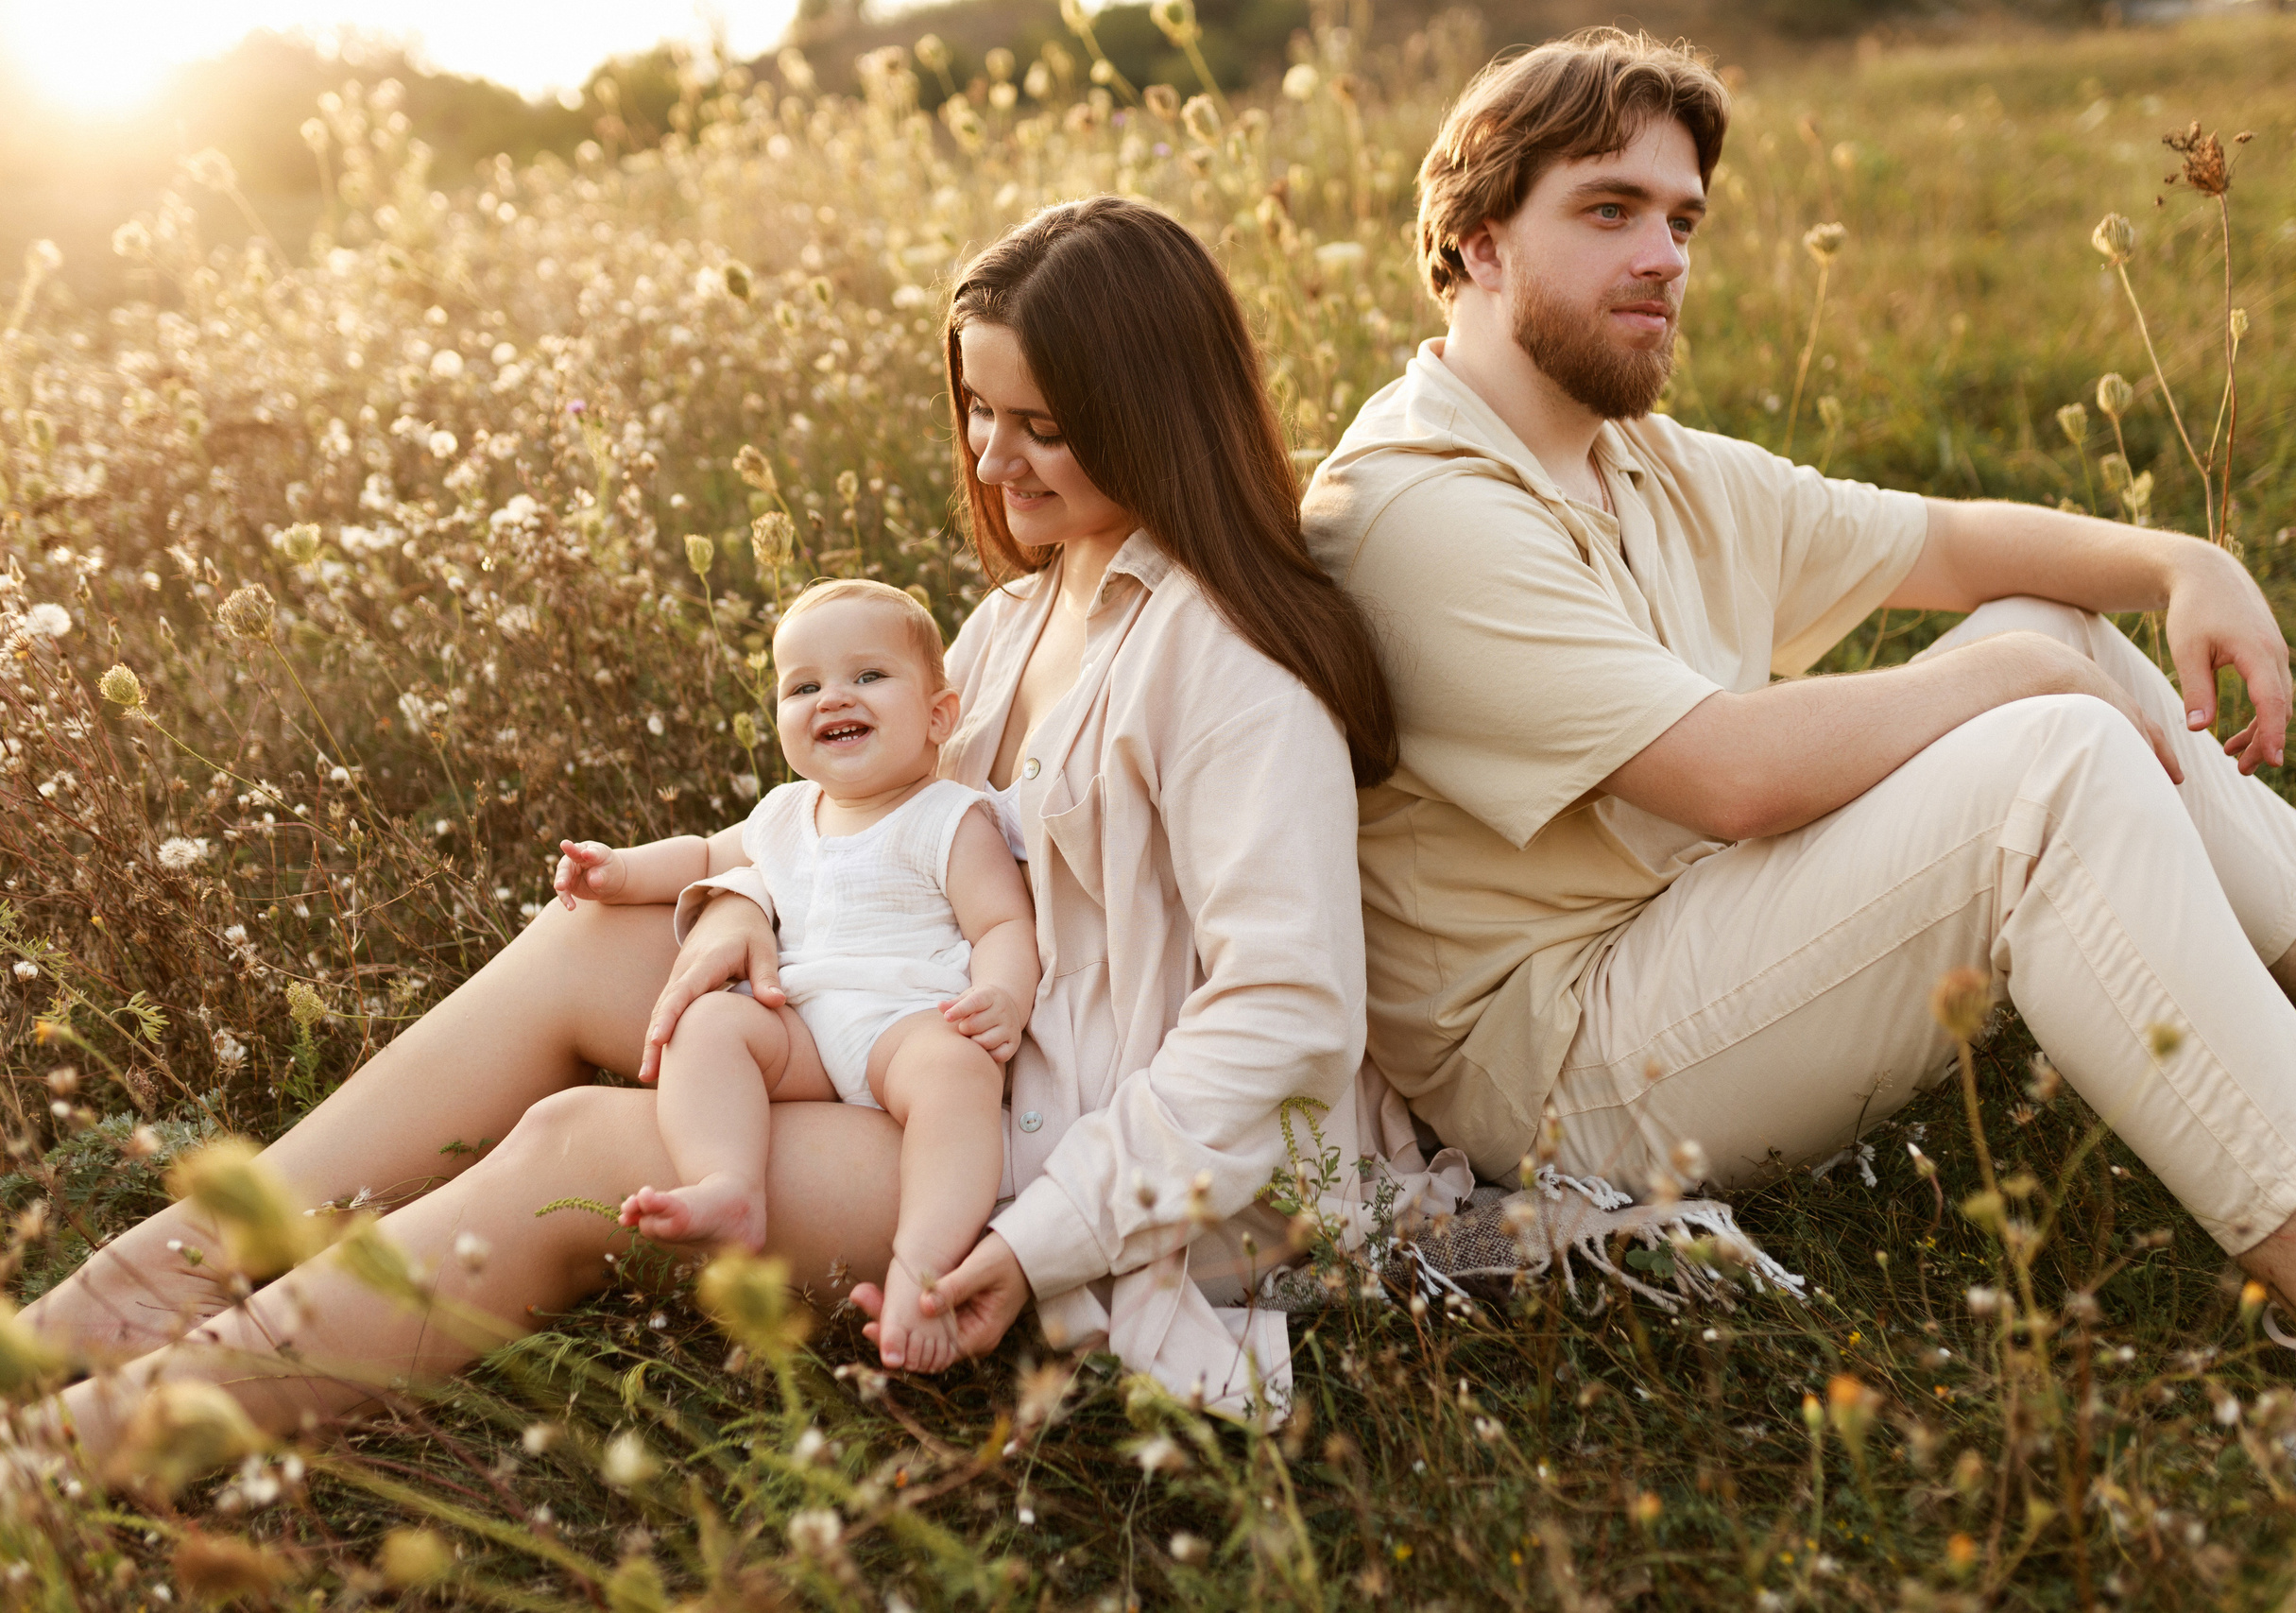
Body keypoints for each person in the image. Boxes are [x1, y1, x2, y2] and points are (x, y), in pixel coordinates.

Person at [25, 194, 1414, 1467]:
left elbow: (1288, 1018)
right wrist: (748, 901)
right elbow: (890, 829)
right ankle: (123, 1295)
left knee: (585, 1143)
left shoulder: (1234, 671)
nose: (995, 460)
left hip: (1076, 1147)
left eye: (1041, 423)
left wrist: (1039, 1239)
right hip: (926, 1023)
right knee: (594, 933)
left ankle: (95, 1443)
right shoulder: (1022, 615)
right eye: (981, 413)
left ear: (1153, 412)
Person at [1301, 27, 2296, 1484]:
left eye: (1682, 219)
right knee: (2043, 761)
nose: (1664, 256)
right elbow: (1726, 774)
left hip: (1689, 932)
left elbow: (1947, 540)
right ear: (1475, 245)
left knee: (2051, 631)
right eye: (1607, 210)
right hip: (1558, 1056)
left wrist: (2177, 556)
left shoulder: (1635, 456)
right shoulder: (1415, 510)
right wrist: (2014, 686)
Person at [552, 577, 1039, 1372]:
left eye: (868, 676)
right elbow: (706, 855)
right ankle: (729, 1182)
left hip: (907, 1021)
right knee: (706, 1023)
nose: (832, 697)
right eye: (803, 686)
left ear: (938, 716)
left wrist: (1006, 993)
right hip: (807, 1022)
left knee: (957, 1077)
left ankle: (924, 1258)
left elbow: (1004, 923)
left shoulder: (949, 815)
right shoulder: (785, 811)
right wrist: (619, 871)